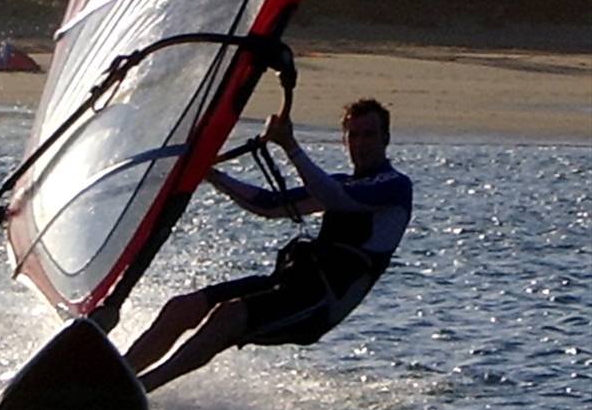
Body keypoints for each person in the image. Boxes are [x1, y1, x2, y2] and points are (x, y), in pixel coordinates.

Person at [124, 98, 412, 393]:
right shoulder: (340, 183)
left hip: (320, 303)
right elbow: (269, 205)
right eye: (353, 135)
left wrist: (290, 147)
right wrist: (210, 174)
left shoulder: (395, 187)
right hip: (290, 283)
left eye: (369, 135)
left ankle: (140, 388)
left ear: (386, 139)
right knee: (183, 307)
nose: (360, 143)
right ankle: (119, 372)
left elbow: (336, 199)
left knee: (229, 315)